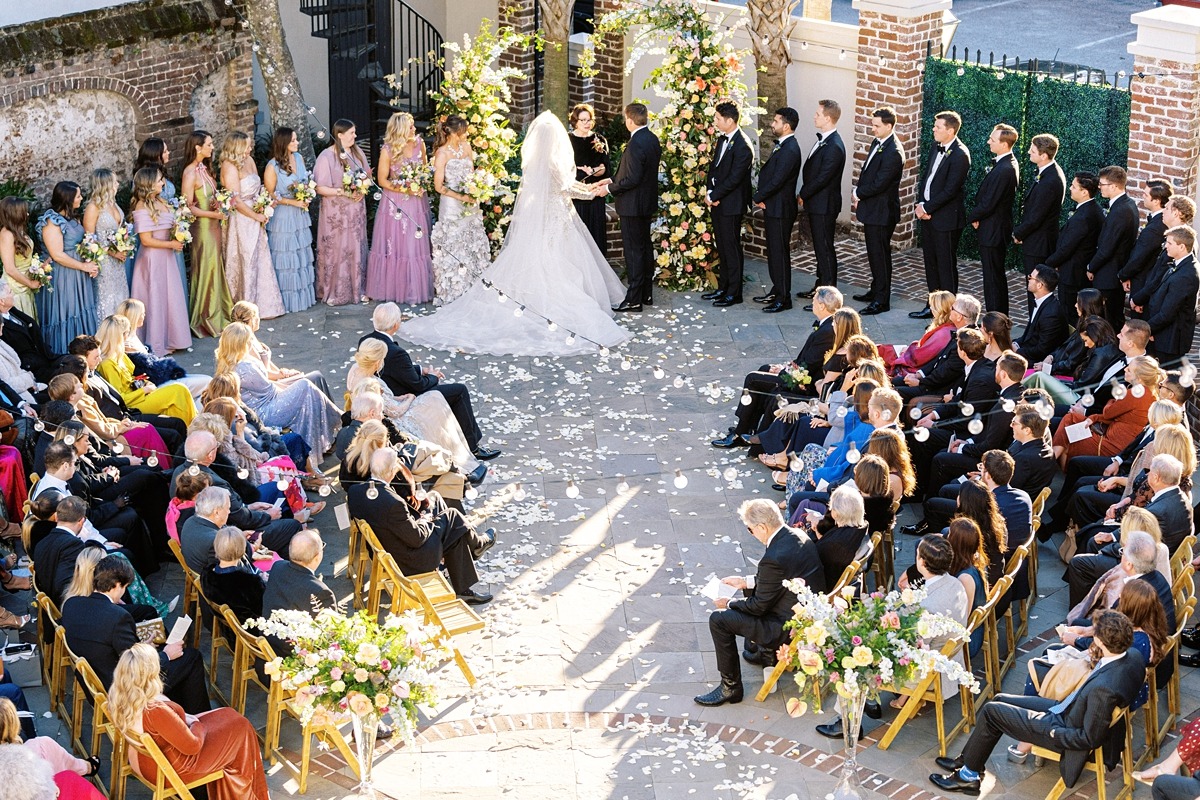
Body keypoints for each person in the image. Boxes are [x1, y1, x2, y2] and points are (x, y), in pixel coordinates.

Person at [400, 112, 629, 355]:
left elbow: (565, 186)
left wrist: (592, 187)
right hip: (555, 218)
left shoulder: (538, 162)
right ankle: (547, 305)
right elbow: (566, 187)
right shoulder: (551, 162)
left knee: (547, 257)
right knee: (553, 259)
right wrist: (594, 191)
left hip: (551, 217)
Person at [929, 609, 1145, 795]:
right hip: (1065, 709)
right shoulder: (1133, 656)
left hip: (1061, 728)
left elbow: (1088, 738)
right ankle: (968, 760)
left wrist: (1052, 733)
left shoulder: (1103, 690)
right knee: (999, 700)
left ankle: (969, 776)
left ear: (1100, 641)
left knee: (992, 711)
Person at [819, 535, 969, 737]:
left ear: (922, 562)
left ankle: (847, 723)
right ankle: (869, 699)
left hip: (928, 671)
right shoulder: (955, 584)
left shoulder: (929, 607)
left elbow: (911, 647)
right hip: (946, 656)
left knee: (855, 660)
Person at [694, 500, 825, 706]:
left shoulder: (773, 556)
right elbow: (782, 576)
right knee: (746, 597)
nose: (751, 533)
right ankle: (762, 654)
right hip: (803, 613)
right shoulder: (798, 535)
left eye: (750, 529)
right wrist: (744, 582)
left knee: (718, 620)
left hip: (785, 627)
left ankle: (731, 687)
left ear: (762, 527)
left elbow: (758, 606)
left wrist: (728, 604)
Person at [107, 643, 268, 800]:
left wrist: (188, 718)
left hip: (146, 761)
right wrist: (196, 723)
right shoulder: (154, 709)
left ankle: (232, 791)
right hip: (169, 770)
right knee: (241, 727)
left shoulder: (118, 695)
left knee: (231, 718)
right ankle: (247, 794)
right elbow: (193, 746)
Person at [348, 447, 495, 604]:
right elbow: (417, 538)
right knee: (452, 516)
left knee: (435, 498)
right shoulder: (393, 504)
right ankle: (476, 545)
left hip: (390, 545)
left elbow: (388, 518)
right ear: (392, 471)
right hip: (409, 560)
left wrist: (423, 517)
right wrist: (426, 519)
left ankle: (472, 551)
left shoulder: (355, 491)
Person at [62, 556, 209, 713]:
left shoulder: (72, 604)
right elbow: (137, 668)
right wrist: (167, 655)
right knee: (191, 658)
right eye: (125, 587)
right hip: (122, 690)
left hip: (97, 678)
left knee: (179, 663)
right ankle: (198, 717)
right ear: (117, 585)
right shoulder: (118, 617)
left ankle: (177, 712)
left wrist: (143, 647)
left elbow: (105, 644)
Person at [362, 302, 499, 460]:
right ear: (395, 325)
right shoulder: (396, 352)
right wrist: (433, 376)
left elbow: (394, 368)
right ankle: (473, 446)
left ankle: (463, 438)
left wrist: (421, 370)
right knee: (459, 391)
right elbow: (418, 384)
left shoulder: (366, 341)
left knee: (448, 391)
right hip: (405, 396)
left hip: (390, 388)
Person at [711, 286, 840, 448]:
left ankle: (740, 432)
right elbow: (806, 359)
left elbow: (810, 364)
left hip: (806, 384)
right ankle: (749, 428)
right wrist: (785, 367)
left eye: (814, 299)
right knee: (765, 368)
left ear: (822, 306)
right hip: (803, 374)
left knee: (753, 379)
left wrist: (784, 372)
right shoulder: (826, 325)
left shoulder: (827, 331)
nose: (812, 302)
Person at [215, 322, 340, 470]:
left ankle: (334, 421)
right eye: (248, 341)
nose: (250, 343)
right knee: (305, 386)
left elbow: (267, 384)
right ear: (241, 344)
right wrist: (292, 384)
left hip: (262, 401)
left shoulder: (226, 361)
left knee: (306, 385)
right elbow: (271, 390)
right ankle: (338, 419)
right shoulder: (245, 368)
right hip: (266, 411)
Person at [347, 342, 475, 469]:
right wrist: (409, 398)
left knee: (433, 398)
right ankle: (456, 447)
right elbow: (395, 412)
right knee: (434, 401)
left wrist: (397, 398)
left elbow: (384, 400)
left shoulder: (355, 369)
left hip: (379, 408)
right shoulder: (370, 382)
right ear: (377, 362)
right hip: (395, 418)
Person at [173, 432, 302, 554]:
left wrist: (249, 507)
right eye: (216, 447)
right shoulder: (214, 483)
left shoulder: (177, 472)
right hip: (230, 537)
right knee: (292, 526)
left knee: (274, 492)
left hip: (208, 530)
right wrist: (268, 516)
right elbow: (240, 518)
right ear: (210, 455)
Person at [600, 102, 662, 312]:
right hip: (645, 204)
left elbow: (633, 178)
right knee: (644, 249)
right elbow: (636, 172)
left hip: (632, 206)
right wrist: (609, 180)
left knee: (634, 252)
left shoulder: (636, 143)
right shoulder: (652, 139)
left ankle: (634, 299)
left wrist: (609, 190)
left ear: (629, 119)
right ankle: (646, 294)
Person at [366, 112, 434, 304]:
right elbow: (381, 180)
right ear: (401, 129)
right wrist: (405, 188)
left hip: (416, 202)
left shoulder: (420, 144)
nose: (414, 129)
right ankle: (394, 289)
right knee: (396, 245)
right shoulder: (387, 150)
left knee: (414, 245)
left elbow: (424, 170)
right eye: (410, 126)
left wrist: (420, 184)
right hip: (395, 203)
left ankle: (414, 288)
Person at [1051, 354, 1161, 468]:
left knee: (1069, 436)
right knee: (1071, 418)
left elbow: (1108, 413)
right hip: (1111, 434)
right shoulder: (1150, 393)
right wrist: (1094, 418)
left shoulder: (1136, 394)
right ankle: (1051, 462)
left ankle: (1051, 465)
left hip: (1112, 445)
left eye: (1129, 369)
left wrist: (1111, 401)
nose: (1125, 369)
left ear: (1139, 378)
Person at [219, 131, 285, 316]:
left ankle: (265, 305)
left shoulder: (249, 161)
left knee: (260, 257)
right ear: (237, 147)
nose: (250, 149)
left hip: (256, 213)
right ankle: (244, 308)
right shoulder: (229, 166)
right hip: (241, 219)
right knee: (245, 259)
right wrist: (255, 216)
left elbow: (257, 187)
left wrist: (265, 205)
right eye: (247, 146)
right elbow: (236, 200)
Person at [426, 114, 489, 306]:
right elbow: (438, 186)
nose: (466, 133)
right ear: (453, 132)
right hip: (452, 205)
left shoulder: (468, 148)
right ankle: (453, 288)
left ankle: (474, 284)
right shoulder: (442, 153)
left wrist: (479, 185)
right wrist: (462, 196)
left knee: (472, 242)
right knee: (454, 243)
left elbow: (473, 173)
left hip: (471, 204)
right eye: (463, 130)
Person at [912, 111, 970, 316]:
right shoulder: (935, 147)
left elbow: (950, 190)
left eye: (938, 127)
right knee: (930, 263)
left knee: (945, 266)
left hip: (946, 220)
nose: (933, 129)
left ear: (951, 130)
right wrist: (921, 204)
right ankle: (932, 305)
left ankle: (948, 310)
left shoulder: (961, 155)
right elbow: (927, 179)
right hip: (927, 215)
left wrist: (927, 208)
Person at [128, 168, 191, 355]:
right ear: (148, 184)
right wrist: (171, 242)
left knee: (169, 296)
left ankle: (171, 339)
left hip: (167, 256)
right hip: (152, 259)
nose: (163, 183)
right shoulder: (141, 206)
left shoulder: (160, 201)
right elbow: (146, 240)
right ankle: (156, 343)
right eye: (159, 180)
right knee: (155, 297)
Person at [180, 130, 234, 337]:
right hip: (202, 228)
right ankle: (205, 319)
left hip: (213, 225)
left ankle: (219, 313)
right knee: (205, 269)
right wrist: (214, 214)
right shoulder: (190, 173)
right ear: (197, 147)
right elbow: (188, 207)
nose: (212, 147)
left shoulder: (204, 169)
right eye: (209, 144)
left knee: (215, 267)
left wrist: (219, 205)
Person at [749, 108, 803, 313]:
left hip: (781, 209)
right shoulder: (783, 145)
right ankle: (776, 289)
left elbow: (778, 180)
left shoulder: (790, 149)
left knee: (780, 253)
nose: (772, 124)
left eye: (776, 121)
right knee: (773, 252)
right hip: (774, 206)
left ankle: (784, 297)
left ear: (786, 126)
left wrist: (758, 197)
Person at [35, 182, 97, 354]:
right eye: (78, 196)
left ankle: (88, 353)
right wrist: (84, 266)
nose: (81, 198)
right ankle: (66, 355)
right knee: (67, 313)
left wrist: (91, 261)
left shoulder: (72, 218)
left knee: (81, 310)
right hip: (63, 275)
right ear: (68, 199)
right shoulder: (52, 222)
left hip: (78, 274)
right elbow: (57, 255)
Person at [95, 316, 194, 423]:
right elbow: (120, 398)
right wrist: (144, 390)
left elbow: (131, 379)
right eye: (127, 333)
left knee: (175, 402)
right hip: (132, 406)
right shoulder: (108, 364)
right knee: (179, 390)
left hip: (139, 396)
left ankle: (189, 428)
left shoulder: (118, 355)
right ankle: (194, 427)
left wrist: (145, 382)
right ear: (121, 336)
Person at [854, 107, 904, 315]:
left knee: (880, 256)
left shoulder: (893, 151)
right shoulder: (879, 143)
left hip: (882, 212)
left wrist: (858, 193)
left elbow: (880, 183)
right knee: (874, 254)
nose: (872, 129)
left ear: (889, 126)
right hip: (872, 209)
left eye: (876, 126)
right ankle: (875, 290)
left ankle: (882, 300)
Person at [314, 118, 370, 306]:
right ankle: (334, 290)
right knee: (336, 249)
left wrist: (361, 191)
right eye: (351, 133)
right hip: (335, 213)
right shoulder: (326, 157)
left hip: (356, 211)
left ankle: (357, 288)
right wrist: (342, 191)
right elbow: (320, 188)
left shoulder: (357, 152)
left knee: (356, 247)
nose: (355, 135)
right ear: (339, 135)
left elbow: (368, 176)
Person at [702, 101, 752, 307]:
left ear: (730, 121)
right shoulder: (722, 140)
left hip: (731, 204)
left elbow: (735, 178)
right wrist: (710, 191)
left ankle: (734, 292)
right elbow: (715, 168)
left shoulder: (743, 146)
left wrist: (716, 195)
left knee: (731, 248)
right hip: (718, 202)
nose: (714, 121)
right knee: (721, 247)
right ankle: (722, 287)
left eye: (717, 118)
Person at [0, 696, 101, 798]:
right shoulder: (22, 763)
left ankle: (84, 767)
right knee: (43, 746)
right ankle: (85, 767)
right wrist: (51, 788)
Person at [113, 299, 210, 401]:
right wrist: (168, 366)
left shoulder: (130, 337)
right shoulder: (128, 343)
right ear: (135, 317)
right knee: (208, 383)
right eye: (142, 313)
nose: (144, 316)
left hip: (158, 380)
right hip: (155, 385)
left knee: (204, 382)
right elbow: (150, 372)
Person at [796, 99, 846, 298]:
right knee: (820, 247)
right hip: (817, 203)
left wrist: (803, 194)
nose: (814, 117)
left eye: (818, 114)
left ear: (828, 118)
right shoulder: (824, 139)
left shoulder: (834, 145)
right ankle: (820, 287)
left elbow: (823, 177)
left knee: (825, 248)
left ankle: (828, 295)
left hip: (824, 205)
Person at [264, 126, 316, 313]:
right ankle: (286, 302)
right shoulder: (272, 167)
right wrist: (293, 202)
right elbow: (270, 196)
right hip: (283, 217)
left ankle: (303, 299)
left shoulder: (299, 158)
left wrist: (306, 194)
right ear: (283, 143)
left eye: (296, 139)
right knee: (286, 257)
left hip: (300, 215)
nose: (296, 143)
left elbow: (305, 182)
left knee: (300, 255)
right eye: (293, 140)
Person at [969, 124, 1019, 314]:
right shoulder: (1004, 164)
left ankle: (995, 318)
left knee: (993, 278)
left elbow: (990, 202)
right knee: (992, 276)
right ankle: (996, 316)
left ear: (1005, 144)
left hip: (993, 231)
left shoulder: (1005, 169)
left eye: (993, 139)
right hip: (992, 227)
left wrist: (972, 216)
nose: (989, 141)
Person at [1044, 172, 1104, 325]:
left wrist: (1047, 264)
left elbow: (1068, 247)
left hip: (1072, 273)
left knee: (1070, 312)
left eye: (1073, 186)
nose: (1070, 188)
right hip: (1077, 270)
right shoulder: (1093, 209)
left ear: (1084, 192)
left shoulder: (1083, 217)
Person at [1088, 166, 1141, 331]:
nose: (1099, 187)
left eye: (1102, 184)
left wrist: (1091, 267)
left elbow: (1107, 247)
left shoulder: (1121, 211)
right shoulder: (1128, 204)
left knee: (1107, 321)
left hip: (1108, 276)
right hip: (1113, 272)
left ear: (1114, 186)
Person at [1143, 225, 1199, 368]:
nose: (1165, 246)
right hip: (1163, 333)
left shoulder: (1187, 274)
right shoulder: (1181, 264)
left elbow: (1168, 313)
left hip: (1170, 339)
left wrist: (1145, 329)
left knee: (1168, 378)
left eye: (1169, 243)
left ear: (1182, 247)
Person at [1012, 133, 1066, 278]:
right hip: (1036, 239)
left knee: (1035, 284)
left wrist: (1018, 233)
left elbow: (1037, 216)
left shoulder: (1050, 180)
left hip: (1039, 244)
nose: (1029, 152)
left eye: (1033, 150)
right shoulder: (1048, 171)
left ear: (1043, 156)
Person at [81, 168, 131, 319]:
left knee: (121, 296)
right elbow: (89, 240)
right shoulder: (93, 207)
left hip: (118, 263)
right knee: (106, 300)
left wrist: (125, 244)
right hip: (104, 263)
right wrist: (111, 251)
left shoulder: (113, 203)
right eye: (115, 181)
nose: (117, 183)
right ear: (106, 184)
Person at [261, 529, 338, 620]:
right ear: (317, 556)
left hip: (266, 631)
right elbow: (332, 629)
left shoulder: (277, 566)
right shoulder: (321, 592)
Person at [568, 103, 612, 258]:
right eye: (582, 120)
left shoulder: (599, 139)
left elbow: (605, 167)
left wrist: (593, 170)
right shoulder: (568, 140)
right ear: (575, 121)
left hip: (595, 193)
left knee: (595, 232)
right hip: (576, 194)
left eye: (589, 120)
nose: (586, 123)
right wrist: (579, 170)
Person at [199, 526, 265, 623]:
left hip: (227, 624)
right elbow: (262, 609)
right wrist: (264, 581)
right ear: (243, 549)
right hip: (249, 629)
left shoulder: (206, 574)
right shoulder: (250, 583)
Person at [1118, 178, 1172, 298]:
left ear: (1156, 201)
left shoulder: (1156, 227)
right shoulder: (1158, 221)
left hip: (1142, 282)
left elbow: (1140, 256)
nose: (1143, 196)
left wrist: (1123, 275)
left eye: (1146, 194)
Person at [883, 290, 955, 377]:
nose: (931, 309)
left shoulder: (943, 334)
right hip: (916, 354)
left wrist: (907, 350)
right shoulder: (948, 327)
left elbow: (920, 357)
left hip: (917, 365)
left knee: (880, 351)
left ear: (940, 309)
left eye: (933, 306)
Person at [810, 484, 866, 590]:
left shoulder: (833, 544)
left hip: (823, 587)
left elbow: (812, 560)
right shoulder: (861, 527)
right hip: (835, 572)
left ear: (835, 514)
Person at [1014, 265, 1069, 365]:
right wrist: (1016, 344)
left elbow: (1042, 350)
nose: (1028, 278)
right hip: (1029, 350)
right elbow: (1029, 335)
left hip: (1038, 361)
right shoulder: (1040, 302)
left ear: (1039, 285)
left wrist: (1017, 352)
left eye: (1030, 277)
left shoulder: (1051, 315)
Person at [0, 197, 41, 321]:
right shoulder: (6, 234)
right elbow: (10, 269)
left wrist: (39, 268)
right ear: (15, 214)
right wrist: (30, 283)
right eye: (24, 211)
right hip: (15, 287)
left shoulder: (19, 229)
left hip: (25, 283)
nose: (27, 214)